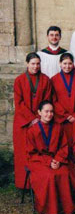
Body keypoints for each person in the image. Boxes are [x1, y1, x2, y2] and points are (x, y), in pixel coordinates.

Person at [26, 100, 75, 214]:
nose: (49, 114)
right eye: (46, 111)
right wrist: (49, 161)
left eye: (51, 112)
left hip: (57, 159)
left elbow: (64, 146)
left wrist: (58, 160)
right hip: (39, 161)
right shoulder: (32, 130)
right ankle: (51, 210)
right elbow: (31, 153)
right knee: (49, 176)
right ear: (39, 112)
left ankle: (66, 208)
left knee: (64, 173)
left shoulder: (58, 127)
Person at [13, 53, 52, 189]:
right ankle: (24, 184)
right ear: (27, 64)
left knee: (39, 151)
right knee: (23, 152)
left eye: (37, 64)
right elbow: (19, 102)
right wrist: (31, 118)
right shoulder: (19, 80)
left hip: (40, 121)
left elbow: (47, 99)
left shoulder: (46, 80)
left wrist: (40, 118)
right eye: (33, 63)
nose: (35, 66)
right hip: (23, 122)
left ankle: (38, 183)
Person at [51, 53, 75, 150]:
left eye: (70, 63)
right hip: (62, 119)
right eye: (65, 63)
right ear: (60, 64)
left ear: (73, 64)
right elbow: (54, 100)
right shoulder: (54, 79)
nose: (67, 66)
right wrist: (66, 115)